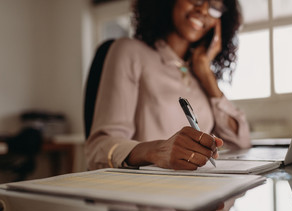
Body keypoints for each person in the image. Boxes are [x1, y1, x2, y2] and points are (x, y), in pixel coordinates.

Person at [85, 0, 251, 170]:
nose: (203, 9)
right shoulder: (129, 52)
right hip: (146, 190)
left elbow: (242, 142)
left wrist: (205, 73)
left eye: (214, 6)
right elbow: (98, 149)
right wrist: (156, 151)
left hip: (197, 188)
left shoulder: (199, 74)